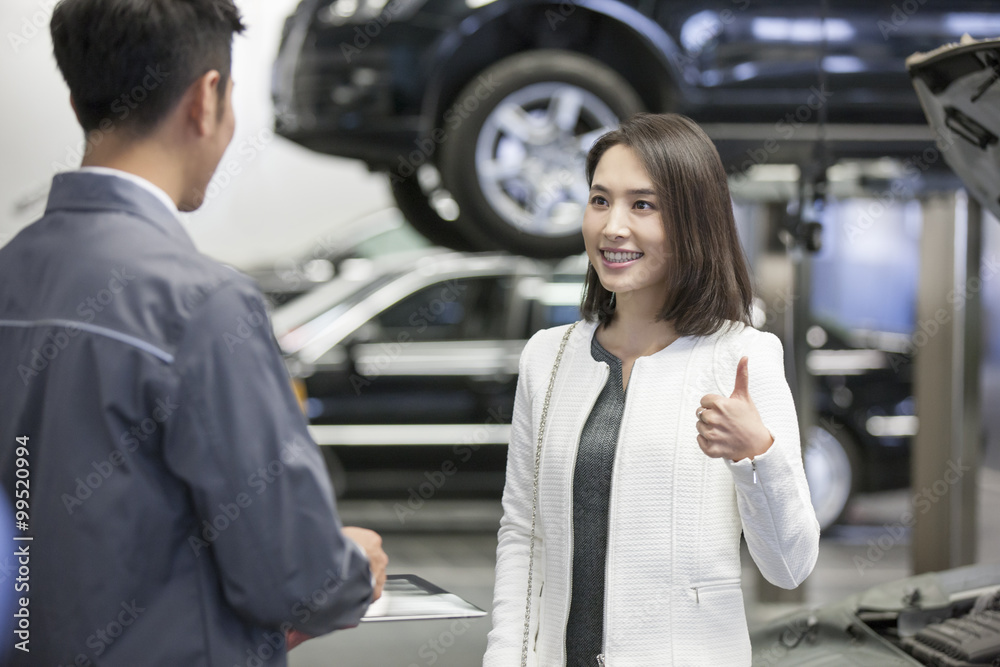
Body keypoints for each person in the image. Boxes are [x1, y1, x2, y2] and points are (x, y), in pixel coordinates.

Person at [0, 1, 387, 664]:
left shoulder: (12, 271)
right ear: (207, 99)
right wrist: (352, 562)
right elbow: (295, 580)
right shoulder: (203, 304)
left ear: (76, 102)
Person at [483, 113, 820, 666]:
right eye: (600, 200)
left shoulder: (743, 357)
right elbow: (523, 533)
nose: (613, 226)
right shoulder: (549, 355)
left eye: (643, 205)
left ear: (693, 221)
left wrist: (757, 455)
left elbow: (789, 567)